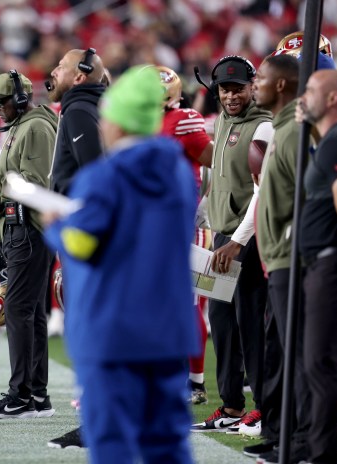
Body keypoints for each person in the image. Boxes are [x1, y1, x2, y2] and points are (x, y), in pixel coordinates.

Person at [43, 64, 199, 464]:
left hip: (112, 331)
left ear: (117, 121)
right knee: (167, 443)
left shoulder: (104, 177)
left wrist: (56, 228)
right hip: (167, 330)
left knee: (112, 442)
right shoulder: (179, 171)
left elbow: (84, 244)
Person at [0, 70, 57, 419]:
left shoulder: (36, 127)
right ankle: (38, 396)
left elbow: (34, 182)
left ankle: (20, 396)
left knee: (18, 310)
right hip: (21, 228)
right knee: (29, 312)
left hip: (29, 228)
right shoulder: (24, 125)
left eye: (2, 101)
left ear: (18, 98)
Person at [191, 55, 273, 434]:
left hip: (249, 239)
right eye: (225, 89)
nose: (231, 95)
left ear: (252, 85)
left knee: (251, 323)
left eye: (238, 87)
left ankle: (265, 407)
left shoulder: (264, 127)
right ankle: (231, 405)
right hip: (222, 237)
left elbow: (262, 194)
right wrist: (202, 215)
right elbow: (218, 178)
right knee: (221, 322)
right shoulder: (223, 120)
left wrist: (237, 242)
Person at [246, 54, 313, 463]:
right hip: (280, 260)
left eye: (262, 79)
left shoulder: (294, 135)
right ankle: (289, 436)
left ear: (283, 86)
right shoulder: (284, 131)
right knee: (287, 355)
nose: (255, 86)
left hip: (294, 259)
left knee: (303, 358)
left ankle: (306, 442)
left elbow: (310, 199)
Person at [43, 47, 106, 449]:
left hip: (84, 236)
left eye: (61, 67)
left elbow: (93, 176)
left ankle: (96, 423)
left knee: (88, 330)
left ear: (79, 76)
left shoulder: (80, 110)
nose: (53, 71)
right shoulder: (87, 107)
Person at [298, 68, 337, 464]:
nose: (304, 96)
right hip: (324, 266)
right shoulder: (330, 140)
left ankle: (323, 455)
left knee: (321, 362)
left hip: (332, 266)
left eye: (312, 90)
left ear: (333, 98)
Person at [157, 65, 213, 406]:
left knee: (189, 303)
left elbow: (217, 165)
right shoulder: (138, 122)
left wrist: (207, 205)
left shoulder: (184, 119)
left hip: (185, 222)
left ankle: (195, 381)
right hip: (154, 223)